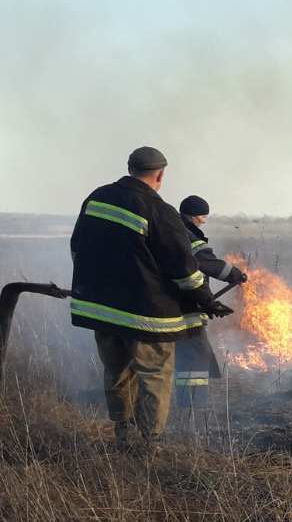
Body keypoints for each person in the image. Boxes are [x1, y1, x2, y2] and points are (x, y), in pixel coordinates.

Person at [69, 147, 231, 449]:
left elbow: (78, 245)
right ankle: (149, 444)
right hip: (145, 315)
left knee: (117, 372)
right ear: (160, 174)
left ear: (130, 167)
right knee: (154, 375)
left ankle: (123, 434)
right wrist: (206, 299)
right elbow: (183, 268)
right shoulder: (159, 211)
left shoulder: (97, 198)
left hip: (101, 310)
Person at [172, 195, 247, 401]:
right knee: (194, 354)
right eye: (203, 217)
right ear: (194, 216)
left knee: (182, 352)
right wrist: (236, 274)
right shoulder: (186, 234)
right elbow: (207, 262)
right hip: (183, 305)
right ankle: (192, 405)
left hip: (170, 303)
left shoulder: (170, 228)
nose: (204, 222)